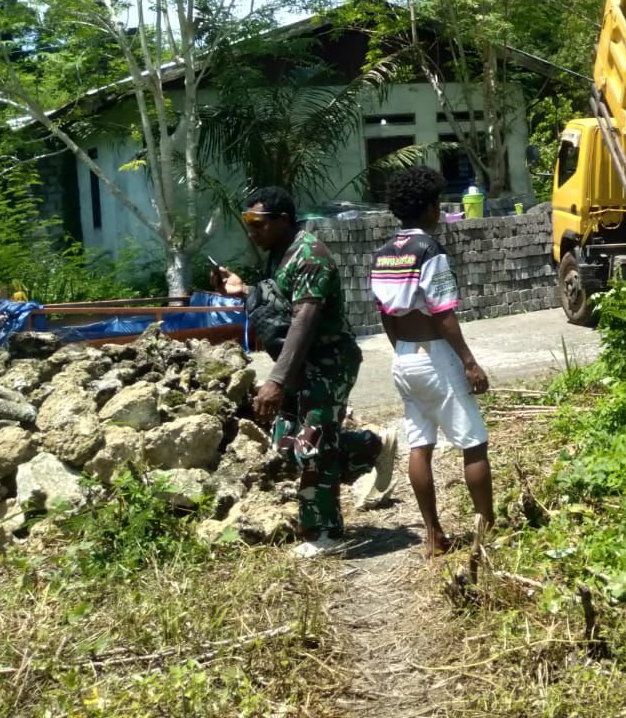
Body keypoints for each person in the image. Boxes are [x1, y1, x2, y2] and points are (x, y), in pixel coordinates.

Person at [212, 186, 392, 557]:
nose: (252, 231)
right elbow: (277, 302)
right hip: (298, 365)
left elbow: (304, 321)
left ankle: (324, 533)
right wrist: (241, 290)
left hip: (327, 364)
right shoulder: (278, 254)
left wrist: (275, 380)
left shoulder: (310, 256)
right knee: (286, 446)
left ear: (282, 220)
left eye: (257, 224)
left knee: (312, 446)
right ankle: (371, 446)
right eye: (248, 224)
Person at [370, 165, 495, 555]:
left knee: (419, 445)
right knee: (474, 442)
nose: (439, 210)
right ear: (427, 208)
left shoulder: (383, 254)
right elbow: (443, 313)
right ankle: (486, 533)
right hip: (435, 356)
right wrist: (469, 362)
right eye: (437, 203)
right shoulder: (429, 251)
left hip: (404, 357)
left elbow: (385, 315)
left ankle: (433, 536)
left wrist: (403, 353)